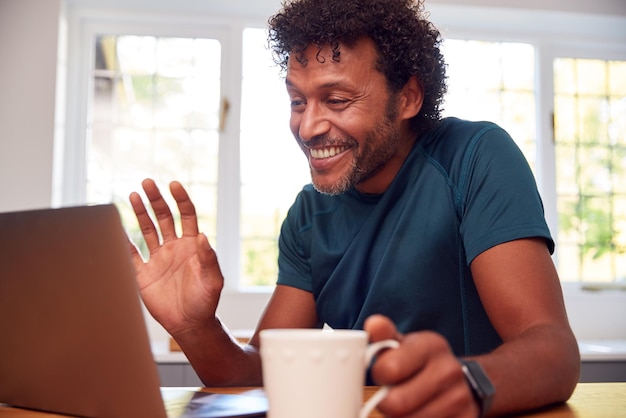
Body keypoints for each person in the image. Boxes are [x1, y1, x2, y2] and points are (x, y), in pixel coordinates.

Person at [128, 0, 580, 416]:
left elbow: (551, 349)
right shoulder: (308, 216)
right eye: (297, 102)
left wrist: (469, 384)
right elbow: (263, 374)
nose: (308, 128)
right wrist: (195, 327)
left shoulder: (474, 157)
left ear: (408, 98)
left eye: (337, 100)